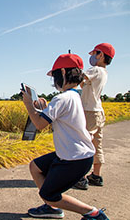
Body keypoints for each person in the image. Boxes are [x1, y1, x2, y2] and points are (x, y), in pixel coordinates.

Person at [22, 53, 109, 219]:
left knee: (49, 194)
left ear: (62, 73)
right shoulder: (75, 96)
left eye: (54, 77)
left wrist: (28, 105)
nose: (54, 83)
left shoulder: (62, 98)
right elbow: (55, 118)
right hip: (75, 154)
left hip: (74, 159)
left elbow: (40, 124)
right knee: (35, 167)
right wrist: (43, 108)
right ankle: (50, 207)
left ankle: (94, 213)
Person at [74, 43, 115, 190]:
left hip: (89, 112)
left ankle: (81, 177)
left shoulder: (95, 69)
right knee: (97, 144)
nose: (92, 56)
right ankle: (96, 176)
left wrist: (71, 68)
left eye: (94, 53)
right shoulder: (103, 72)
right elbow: (85, 83)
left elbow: (80, 77)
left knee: (85, 142)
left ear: (101, 55)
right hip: (98, 111)